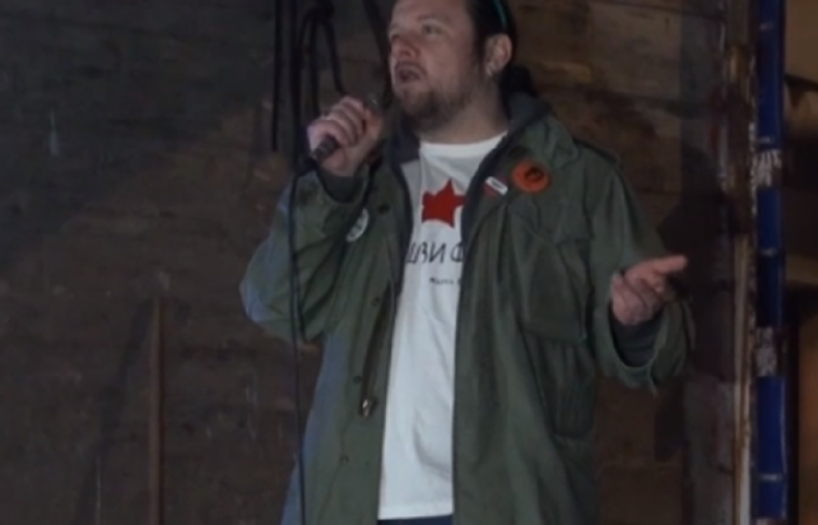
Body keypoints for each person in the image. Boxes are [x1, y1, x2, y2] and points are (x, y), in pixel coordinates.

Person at [240, 0, 693, 523]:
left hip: (512, 507)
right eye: (395, 34)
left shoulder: (576, 181)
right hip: (350, 507)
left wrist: (637, 321)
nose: (402, 47)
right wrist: (331, 185)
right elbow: (274, 304)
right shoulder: (365, 178)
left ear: (494, 54)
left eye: (429, 29)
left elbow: (662, 357)